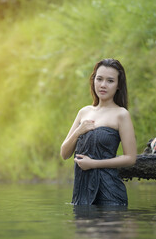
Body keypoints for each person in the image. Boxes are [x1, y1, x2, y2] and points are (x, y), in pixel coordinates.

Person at [60, 58, 137, 206]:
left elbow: (130, 158)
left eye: (110, 81)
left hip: (110, 195)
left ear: (118, 85)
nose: (103, 85)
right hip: (81, 195)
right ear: (93, 80)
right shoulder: (84, 112)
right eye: (99, 79)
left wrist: (94, 164)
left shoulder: (121, 114)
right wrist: (78, 132)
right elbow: (64, 153)